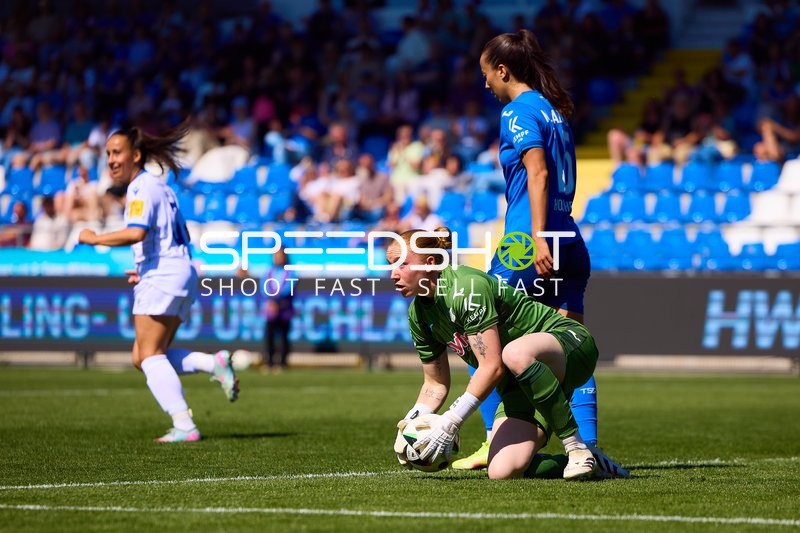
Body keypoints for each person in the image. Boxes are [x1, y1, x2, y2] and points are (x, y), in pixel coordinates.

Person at [451, 30, 628, 477]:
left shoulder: (516, 112)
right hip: (570, 237)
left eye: (486, 74)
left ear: (503, 70)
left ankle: (494, 439)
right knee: (570, 349)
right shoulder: (554, 113)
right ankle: (585, 449)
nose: (485, 84)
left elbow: (538, 171)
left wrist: (537, 235)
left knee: (478, 334)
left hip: (528, 244)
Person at [391, 229, 598, 480]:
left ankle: (577, 449)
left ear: (431, 263)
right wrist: (409, 425)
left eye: (402, 264)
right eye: (391, 265)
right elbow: (435, 384)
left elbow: (492, 367)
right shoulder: (418, 314)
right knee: (501, 471)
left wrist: (451, 421)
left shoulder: (467, 286)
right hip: (522, 383)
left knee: (514, 352)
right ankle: (593, 464)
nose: (393, 274)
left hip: (570, 346)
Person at [78, 124, 239, 443]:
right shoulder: (160, 187)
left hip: (165, 272)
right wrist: (145, 267)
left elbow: (136, 232)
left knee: (149, 355)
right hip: (177, 269)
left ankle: (184, 423)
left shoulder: (141, 187)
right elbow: (169, 235)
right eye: (108, 153)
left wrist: (95, 238)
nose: (110, 159)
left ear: (135, 155)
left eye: (117, 152)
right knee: (144, 355)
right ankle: (214, 363)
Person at [262, 247, 294, 373]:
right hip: (271, 309)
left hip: (284, 308)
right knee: (269, 336)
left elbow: (288, 287)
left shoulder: (290, 272)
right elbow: (263, 287)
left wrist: (277, 301)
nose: (278, 257)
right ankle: (269, 362)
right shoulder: (269, 272)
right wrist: (270, 300)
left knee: (284, 336)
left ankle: (283, 363)